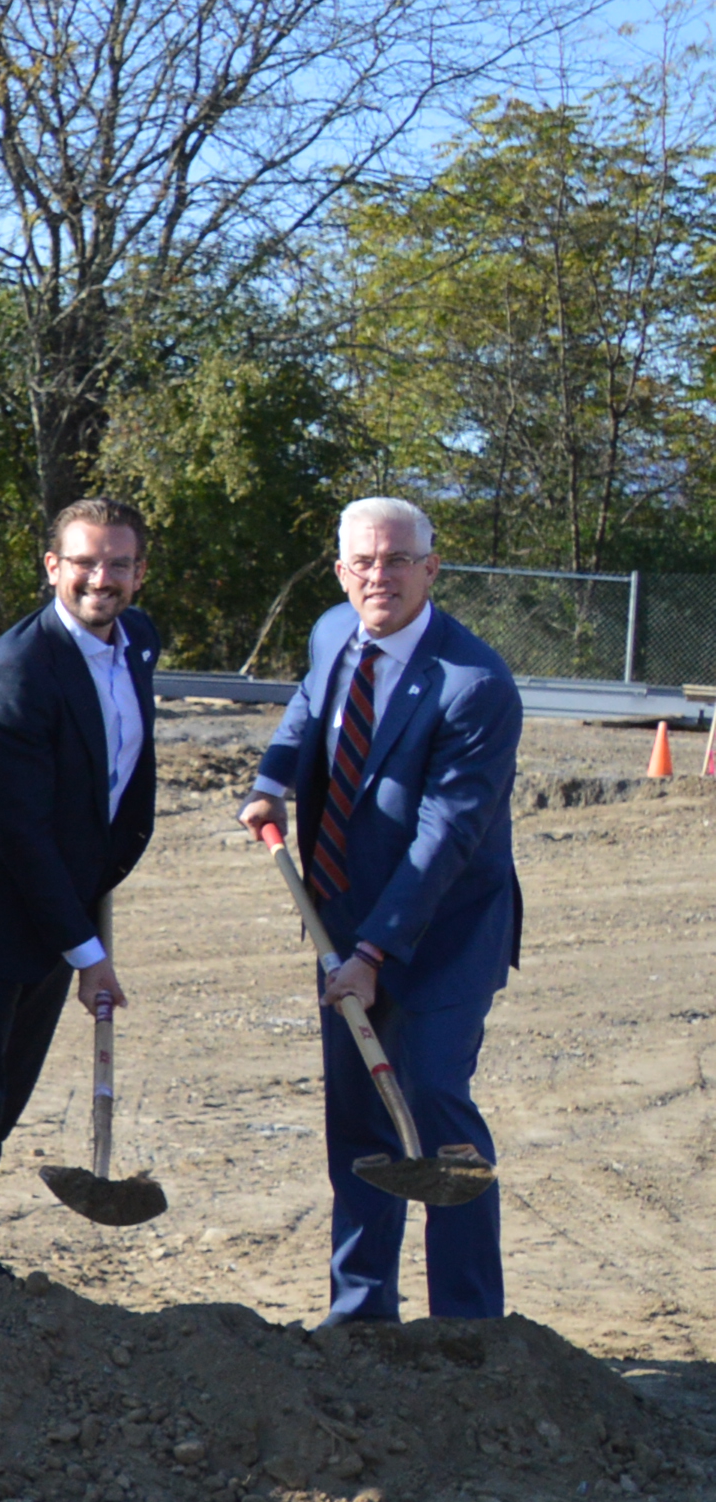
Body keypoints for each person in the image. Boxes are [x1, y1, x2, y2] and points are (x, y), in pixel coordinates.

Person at [236, 498, 520, 1324]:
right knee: (358, 1121)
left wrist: (374, 954)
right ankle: (360, 1314)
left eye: (398, 561)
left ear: (433, 569)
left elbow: (445, 838)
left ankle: (469, 1327)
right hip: (339, 919)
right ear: (339, 570)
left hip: (442, 935)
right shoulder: (333, 631)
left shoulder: (476, 684)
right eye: (363, 562)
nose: (379, 576)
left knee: (433, 1103)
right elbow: (306, 707)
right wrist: (270, 780)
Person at [0, 495, 161, 1274]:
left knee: (2, 1103)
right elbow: (22, 832)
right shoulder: (12, 673)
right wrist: (87, 954)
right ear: (53, 566)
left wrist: (96, 889)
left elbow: (114, 781)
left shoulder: (136, 641)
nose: (101, 578)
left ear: (139, 572)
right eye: (84, 561)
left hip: (55, 909)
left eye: (118, 563)